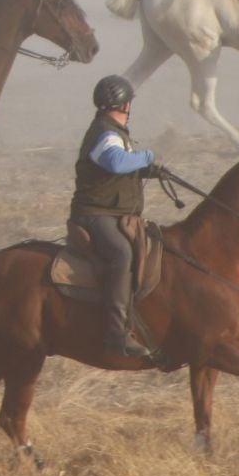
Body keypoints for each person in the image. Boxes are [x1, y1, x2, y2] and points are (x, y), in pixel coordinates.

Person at [68, 76, 165, 361]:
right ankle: (117, 334)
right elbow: (115, 161)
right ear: (125, 104)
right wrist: (147, 157)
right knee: (121, 254)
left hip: (110, 212)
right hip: (94, 215)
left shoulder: (113, 131)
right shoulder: (105, 132)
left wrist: (147, 170)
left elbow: (116, 169)